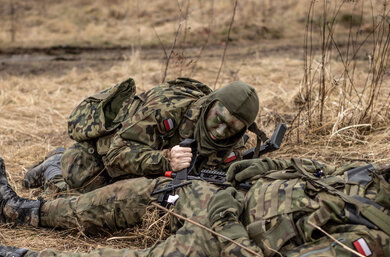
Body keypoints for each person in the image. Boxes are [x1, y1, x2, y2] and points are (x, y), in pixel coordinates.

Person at [0, 156, 389, 257]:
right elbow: (315, 172)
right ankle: (26, 210)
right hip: (226, 195)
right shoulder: (374, 177)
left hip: (220, 243)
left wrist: (223, 222)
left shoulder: (372, 241)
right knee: (141, 192)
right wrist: (260, 169)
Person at [23, 77, 264, 194]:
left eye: (231, 129)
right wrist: (165, 160)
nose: (220, 131)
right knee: (83, 187)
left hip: (153, 176)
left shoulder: (233, 142)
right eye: (218, 120)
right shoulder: (165, 109)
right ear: (210, 105)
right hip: (104, 157)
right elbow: (116, 155)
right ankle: (53, 168)